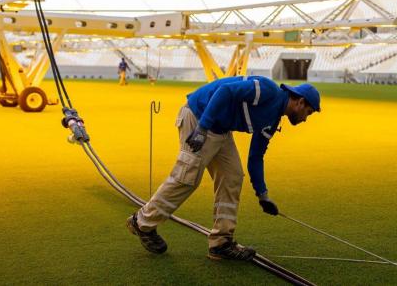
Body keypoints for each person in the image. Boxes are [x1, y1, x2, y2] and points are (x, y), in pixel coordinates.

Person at [127, 76, 320, 260]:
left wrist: (263, 195)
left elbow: (255, 157)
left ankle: (221, 242)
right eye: (309, 113)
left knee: (233, 176)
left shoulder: (272, 121)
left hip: (219, 129)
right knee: (186, 178)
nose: (305, 118)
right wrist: (202, 128)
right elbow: (225, 91)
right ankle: (142, 222)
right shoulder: (267, 90)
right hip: (199, 116)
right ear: (300, 102)